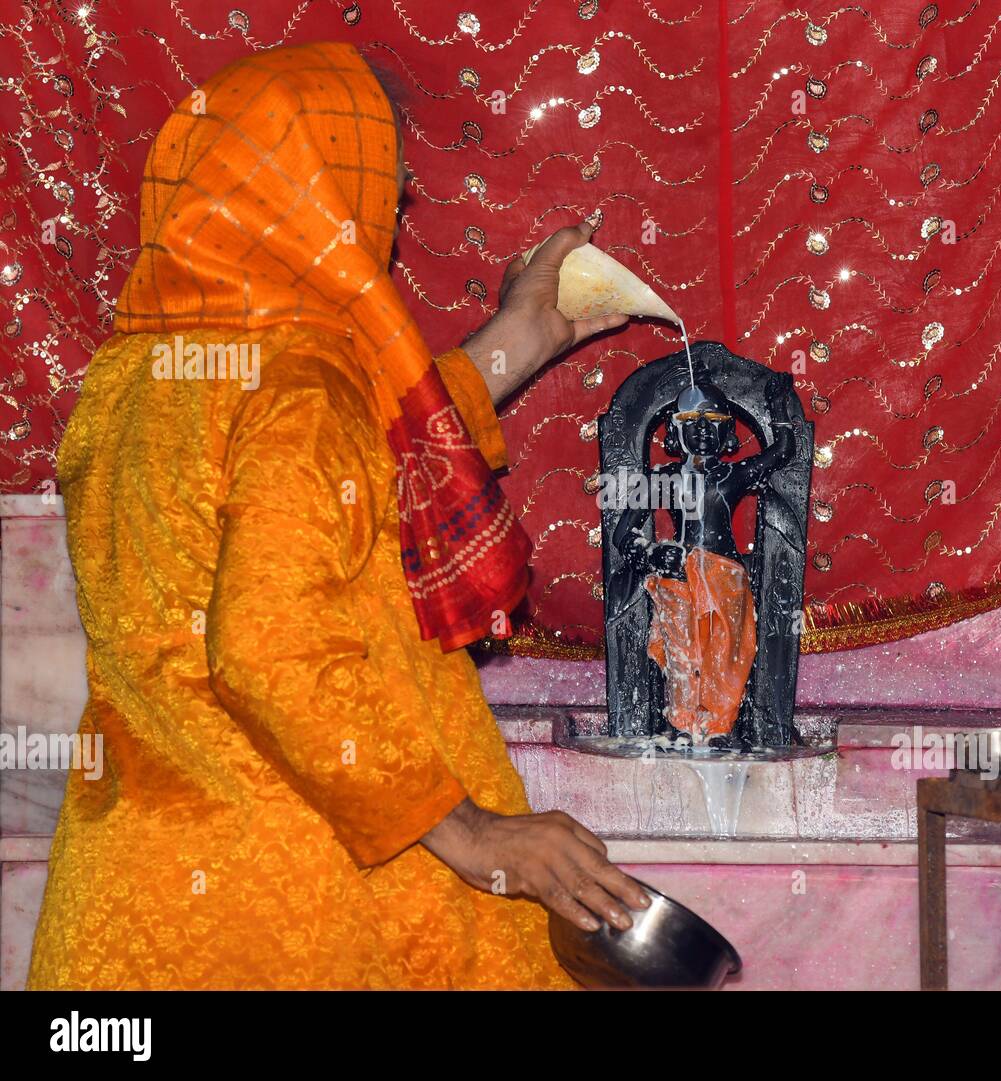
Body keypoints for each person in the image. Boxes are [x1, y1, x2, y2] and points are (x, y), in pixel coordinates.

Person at [28, 40, 647, 990]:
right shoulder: (297, 382)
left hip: (132, 908)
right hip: (288, 913)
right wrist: (475, 832)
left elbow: (351, 464)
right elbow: (271, 646)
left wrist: (519, 339)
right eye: (383, 193)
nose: (389, 225)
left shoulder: (131, 379)